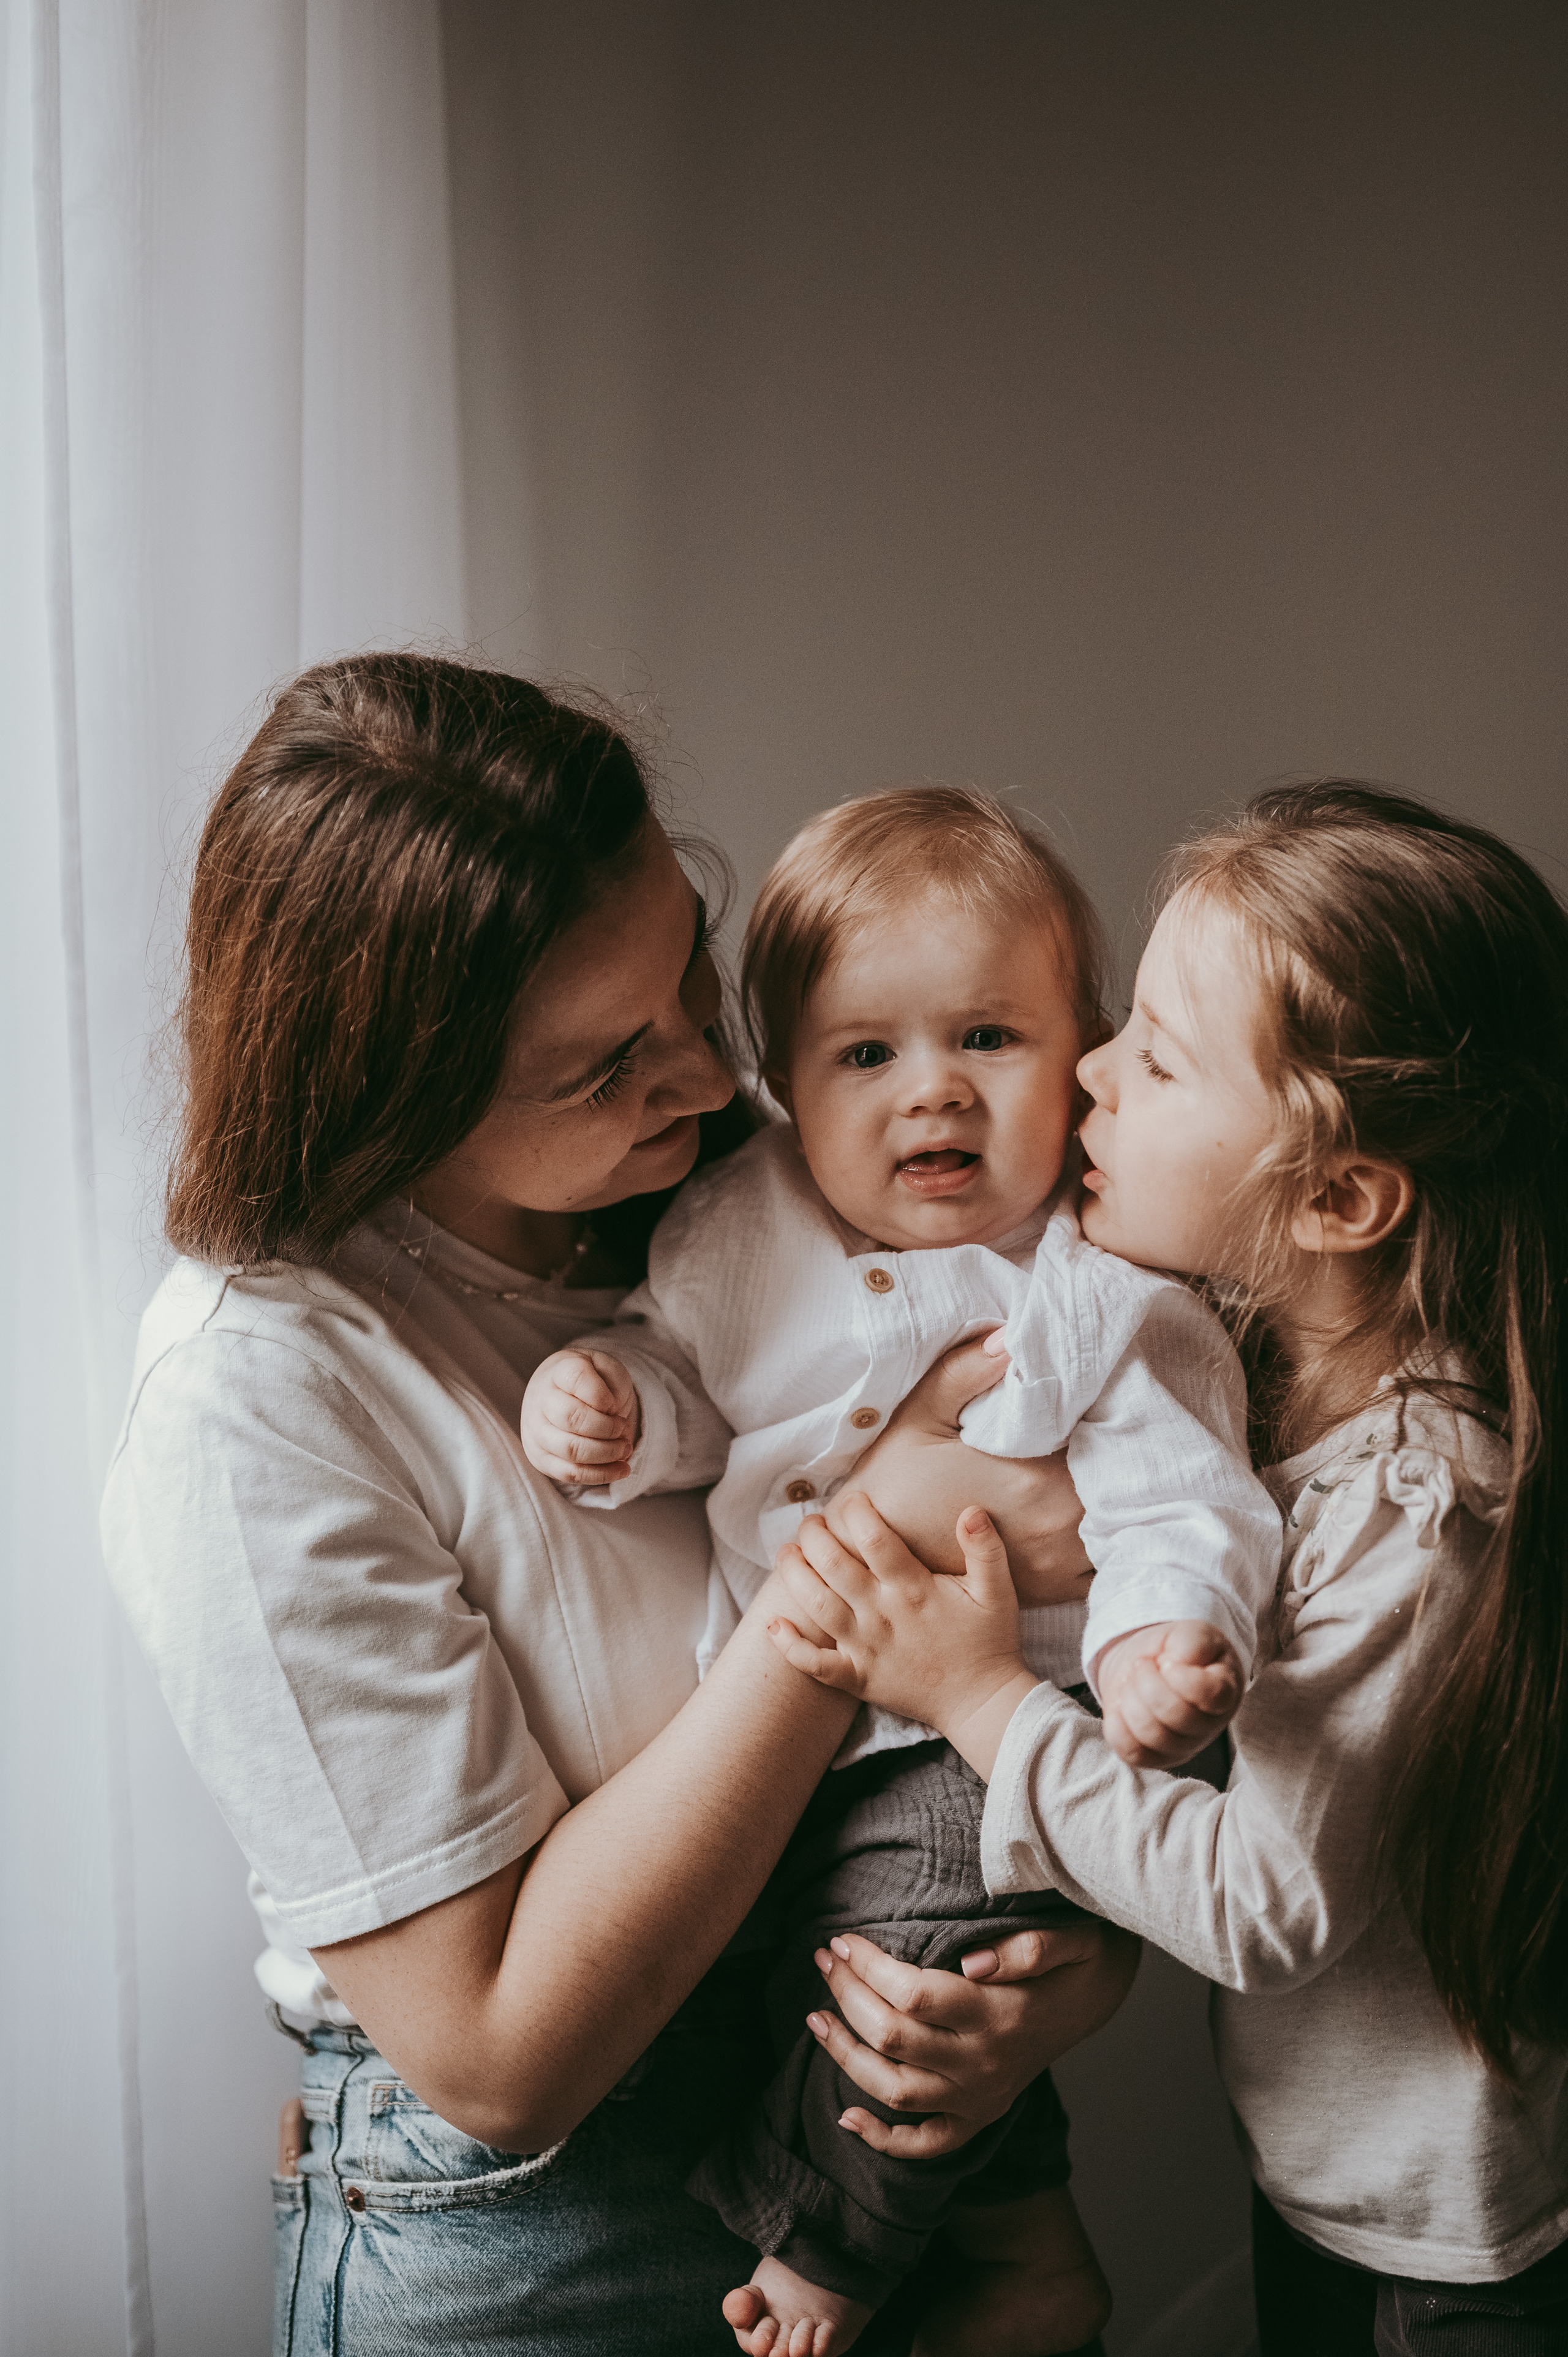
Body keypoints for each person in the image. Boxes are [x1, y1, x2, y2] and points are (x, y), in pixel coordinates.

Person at [99, 654, 1138, 2357]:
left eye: (690, 977)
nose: (706, 1071)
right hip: (532, 2251)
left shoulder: (775, 1197)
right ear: (393, 1091)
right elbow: (499, 2058)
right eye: (601, 1068)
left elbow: (1043, 1676)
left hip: (868, 2131)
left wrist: (1051, 1983)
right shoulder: (261, 1395)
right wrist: (858, 1564)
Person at [767, 783, 1568, 2356]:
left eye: (1158, 1055)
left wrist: (976, 1694)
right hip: (1316, 2190)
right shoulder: (1254, 1378)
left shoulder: (1413, 1505)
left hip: (1443, 2262)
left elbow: (1264, 1905)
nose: (1089, 1071)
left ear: (1337, 1197)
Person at [521, 786, 1281, 2355]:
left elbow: (1180, 1489)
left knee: (907, 1957)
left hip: (1005, 1709)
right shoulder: (740, 1227)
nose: (928, 1091)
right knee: (842, 1968)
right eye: (865, 1054)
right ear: (784, 1086)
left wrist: (1161, 1634)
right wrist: (622, 1408)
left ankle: (825, 2251)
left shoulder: (1094, 1278)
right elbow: (690, 1379)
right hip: (813, 1732)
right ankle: (1016, 2243)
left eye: (986, 1040)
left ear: (1079, 1054)